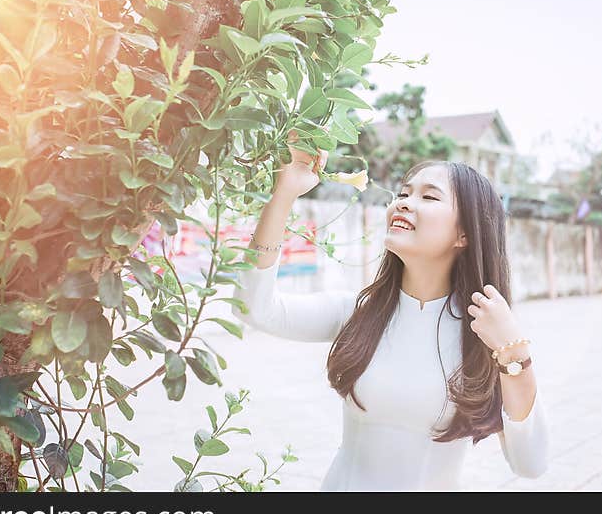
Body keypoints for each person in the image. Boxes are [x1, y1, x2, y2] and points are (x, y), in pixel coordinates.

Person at [230, 130, 548, 491]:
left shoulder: (488, 336)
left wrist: (514, 354)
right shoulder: (358, 313)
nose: (404, 203)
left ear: (465, 234)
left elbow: (530, 463)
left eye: (428, 196)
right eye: (403, 193)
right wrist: (284, 193)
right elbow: (254, 308)